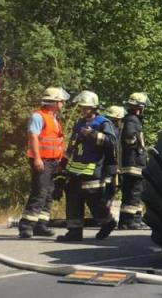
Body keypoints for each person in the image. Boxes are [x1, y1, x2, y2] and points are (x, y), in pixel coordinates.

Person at [57, 90, 118, 242]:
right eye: (82, 107)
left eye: (87, 107)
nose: (83, 110)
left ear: (94, 108)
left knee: (95, 203)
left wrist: (94, 135)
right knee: (73, 198)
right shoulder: (79, 123)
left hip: (93, 170)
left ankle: (108, 223)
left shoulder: (103, 123)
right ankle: (74, 232)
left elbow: (112, 144)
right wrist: (62, 166)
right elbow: (71, 146)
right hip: (75, 169)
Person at [18, 87, 68, 239]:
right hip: (42, 160)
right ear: (54, 102)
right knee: (39, 192)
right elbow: (33, 137)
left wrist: (60, 161)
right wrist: (37, 158)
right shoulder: (38, 116)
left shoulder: (54, 117)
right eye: (61, 101)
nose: (63, 103)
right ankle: (26, 226)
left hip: (53, 161)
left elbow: (56, 141)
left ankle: (41, 225)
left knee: (49, 193)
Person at [118, 92, 150, 230]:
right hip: (134, 163)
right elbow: (129, 136)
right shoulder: (132, 120)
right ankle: (131, 221)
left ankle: (128, 220)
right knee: (135, 192)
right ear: (139, 107)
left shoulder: (128, 118)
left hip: (129, 162)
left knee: (130, 192)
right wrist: (136, 145)